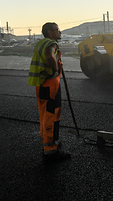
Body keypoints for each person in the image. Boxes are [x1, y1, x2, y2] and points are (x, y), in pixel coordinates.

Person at [28, 22, 71, 163]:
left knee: (46, 115)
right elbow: (49, 54)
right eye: (57, 30)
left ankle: (50, 141)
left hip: (42, 85)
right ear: (50, 32)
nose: (59, 32)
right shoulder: (50, 44)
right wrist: (56, 69)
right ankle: (50, 150)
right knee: (52, 116)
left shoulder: (41, 43)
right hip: (50, 85)